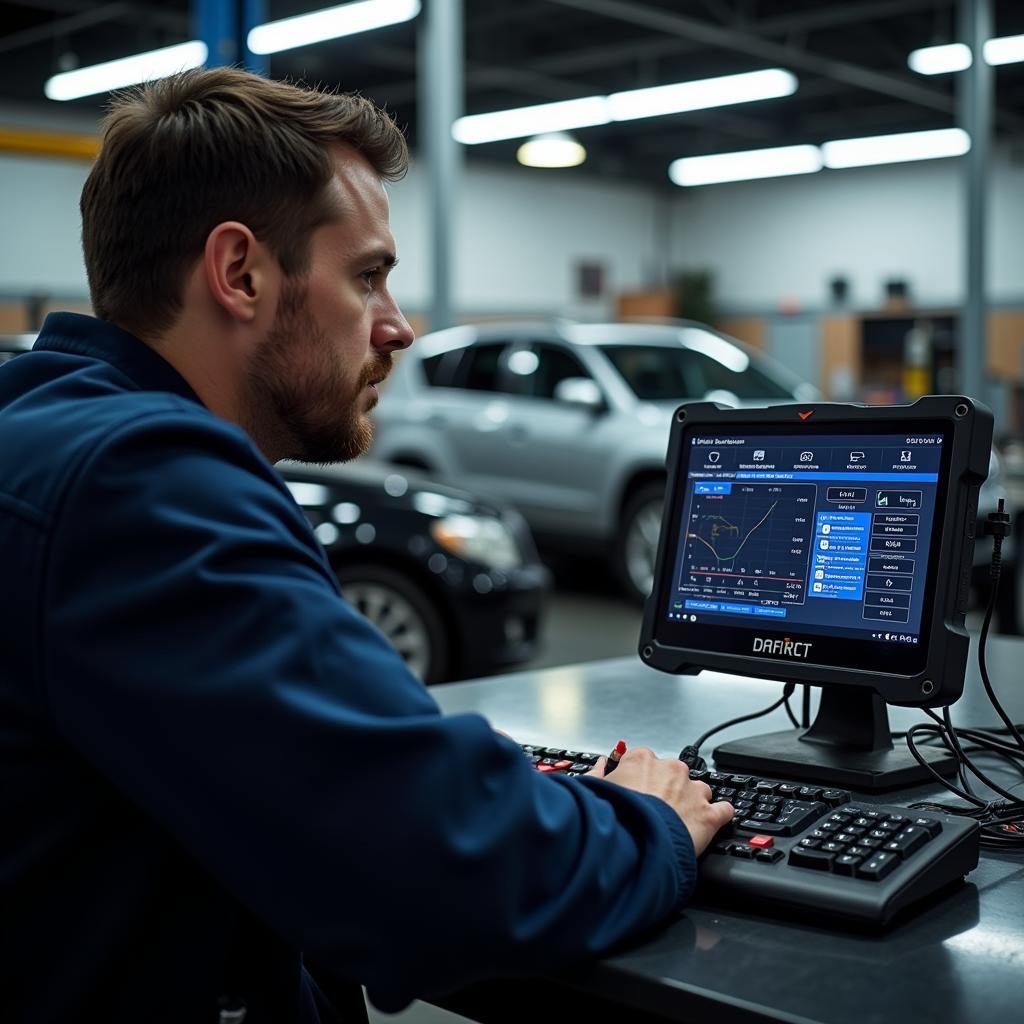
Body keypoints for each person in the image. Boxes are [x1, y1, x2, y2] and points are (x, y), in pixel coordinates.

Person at [0, 68, 734, 1023]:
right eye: (368, 275)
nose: (397, 326)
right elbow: (439, 871)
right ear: (241, 273)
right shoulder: (138, 481)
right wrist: (651, 823)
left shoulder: (40, 433)